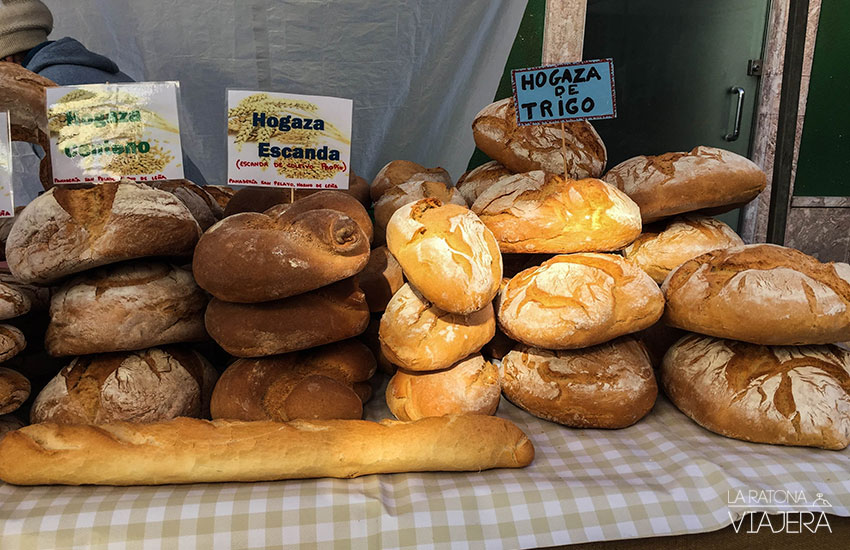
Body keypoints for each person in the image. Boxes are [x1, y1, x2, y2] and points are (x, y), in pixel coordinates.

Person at [0, 0, 207, 204]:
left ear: (8, 59)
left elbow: (83, 195)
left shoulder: (49, 93)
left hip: (168, 215)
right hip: (191, 206)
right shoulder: (95, 71)